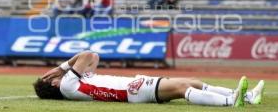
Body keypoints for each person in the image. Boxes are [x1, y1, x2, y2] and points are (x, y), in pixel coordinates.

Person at [34, 51, 265, 107]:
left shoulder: (73, 85)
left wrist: (63, 69)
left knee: (192, 81)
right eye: (50, 78)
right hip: (132, 90)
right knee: (182, 87)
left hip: (132, 89)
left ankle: (246, 96)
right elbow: (85, 55)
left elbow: (93, 55)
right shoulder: (66, 84)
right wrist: (60, 68)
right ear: (52, 83)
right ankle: (231, 101)